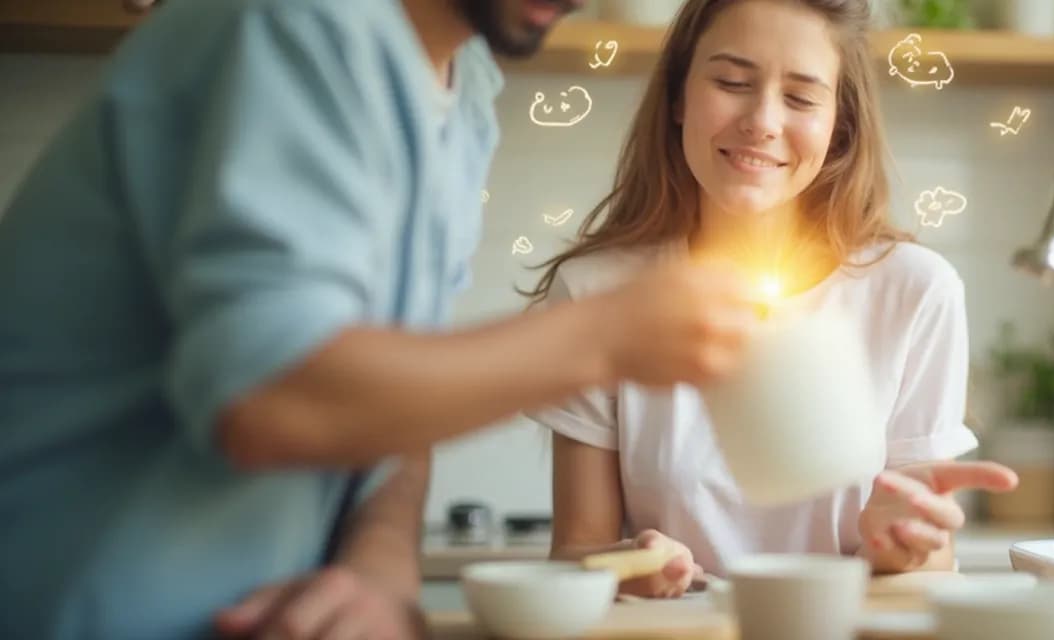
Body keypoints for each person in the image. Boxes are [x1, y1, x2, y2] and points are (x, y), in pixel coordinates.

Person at [0, 0, 758, 637]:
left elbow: (395, 418)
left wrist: (379, 568)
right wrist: (607, 332)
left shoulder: (464, 95)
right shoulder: (290, 23)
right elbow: (273, 396)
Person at [528, 0, 1020, 599]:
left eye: (801, 97)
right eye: (732, 82)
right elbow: (576, 555)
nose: (761, 120)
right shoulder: (597, 294)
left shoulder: (914, 292)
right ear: (679, 98)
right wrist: (632, 567)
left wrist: (901, 546)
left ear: (838, 123)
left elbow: (931, 562)